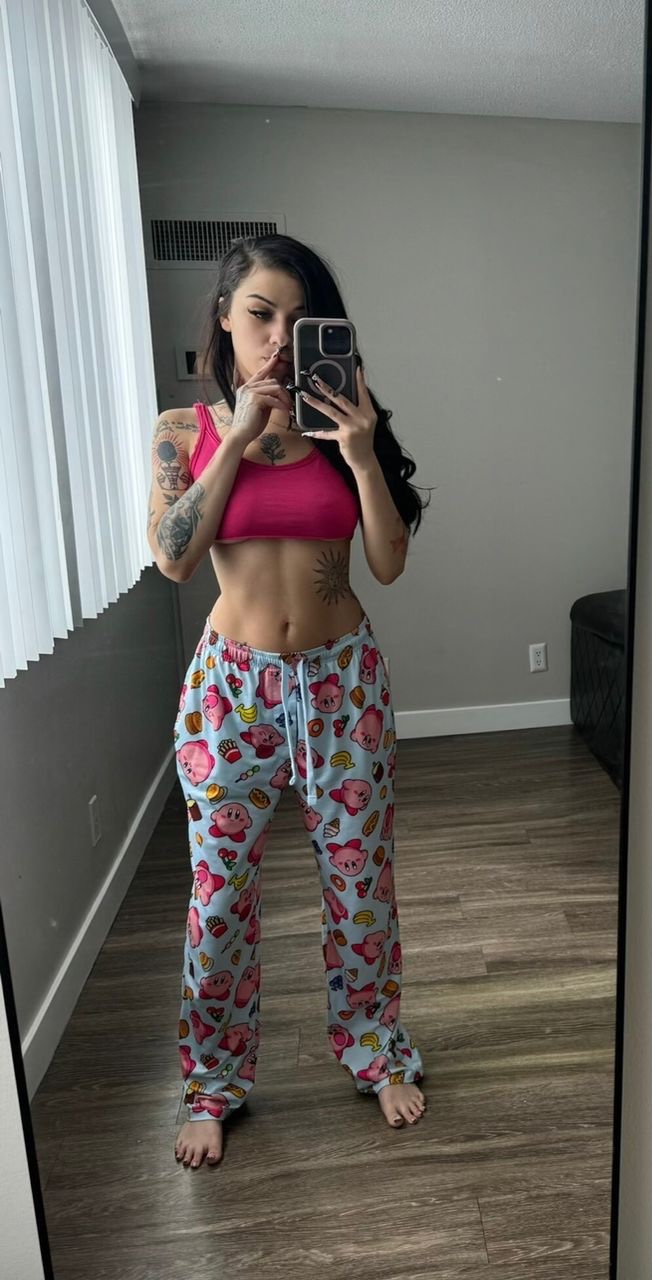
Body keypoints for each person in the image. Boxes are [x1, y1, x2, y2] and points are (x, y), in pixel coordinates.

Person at [146, 233, 431, 1169]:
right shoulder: (184, 431)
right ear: (225, 321)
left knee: (360, 884)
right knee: (219, 896)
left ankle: (375, 1050)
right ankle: (211, 1084)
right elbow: (173, 559)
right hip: (230, 691)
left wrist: (360, 454)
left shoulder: (347, 418)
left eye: (299, 320)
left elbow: (388, 563)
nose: (278, 337)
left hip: (343, 683)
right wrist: (234, 437)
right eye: (260, 315)